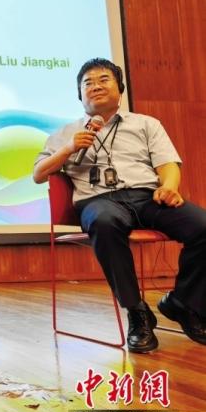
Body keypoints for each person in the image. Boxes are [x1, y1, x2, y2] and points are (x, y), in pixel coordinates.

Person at [34, 57, 206, 353]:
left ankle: (182, 302)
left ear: (120, 88)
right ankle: (137, 312)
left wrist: (169, 186)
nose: (95, 86)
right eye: (87, 83)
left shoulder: (146, 124)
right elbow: (38, 174)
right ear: (79, 95)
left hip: (147, 196)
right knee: (104, 222)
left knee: (202, 227)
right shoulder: (64, 133)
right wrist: (69, 148)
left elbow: (167, 163)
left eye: (104, 79)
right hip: (98, 201)